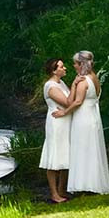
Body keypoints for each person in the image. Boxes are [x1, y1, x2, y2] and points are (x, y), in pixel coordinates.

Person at [53, 51, 109, 194]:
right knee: (93, 148)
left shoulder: (84, 81)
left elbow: (77, 101)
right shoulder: (94, 77)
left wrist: (64, 112)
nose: (73, 66)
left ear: (81, 64)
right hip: (93, 116)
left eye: (75, 63)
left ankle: (85, 184)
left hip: (83, 118)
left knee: (83, 149)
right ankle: (94, 182)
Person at [38, 58, 72, 203]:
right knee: (54, 156)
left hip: (66, 122)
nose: (65, 68)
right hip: (57, 123)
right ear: (54, 70)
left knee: (66, 154)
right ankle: (54, 193)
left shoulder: (61, 83)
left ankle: (62, 189)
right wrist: (77, 85)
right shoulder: (51, 86)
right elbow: (67, 102)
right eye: (62, 67)